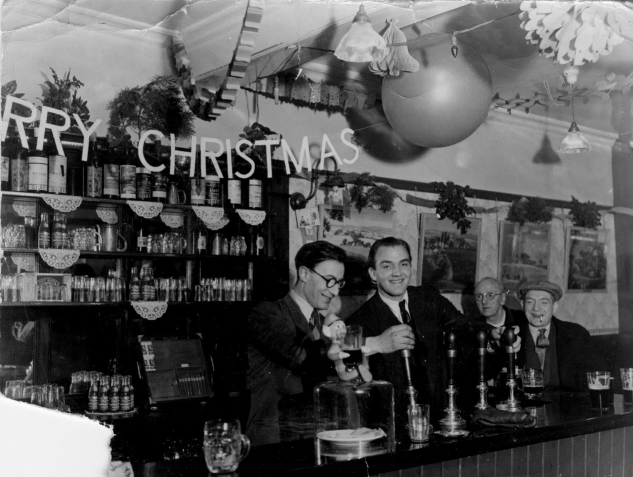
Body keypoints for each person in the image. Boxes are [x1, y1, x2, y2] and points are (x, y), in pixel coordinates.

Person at [345, 237, 485, 426]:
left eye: (403, 264)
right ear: (373, 273)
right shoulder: (358, 321)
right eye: (387, 266)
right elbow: (344, 364)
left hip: (438, 420)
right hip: (393, 427)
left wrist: (493, 333)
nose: (397, 273)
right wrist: (377, 344)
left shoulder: (429, 298)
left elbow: (463, 324)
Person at [245, 241, 348, 446]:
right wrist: (372, 343)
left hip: (315, 437)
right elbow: (304, 356)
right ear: (304, 274)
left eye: (339, 283)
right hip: (275, 443)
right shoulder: (266, 313)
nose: (335, 291)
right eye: (329, 280)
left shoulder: (323, 322)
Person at [516, 280, 605, 391]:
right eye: (530, 302)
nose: (536, 308)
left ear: (554, 307)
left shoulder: (577, 335)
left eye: (544, 302)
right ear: (522, 304)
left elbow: (588, 383)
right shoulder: (511, 335)